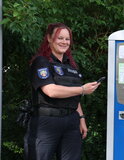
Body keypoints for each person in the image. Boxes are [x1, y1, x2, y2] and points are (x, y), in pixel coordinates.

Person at [24, 23, 101, 160]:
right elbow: (50, 90)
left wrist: (81, 119)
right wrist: (83, 89)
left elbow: (73, 95)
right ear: (49, 38)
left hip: (71, 121)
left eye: (67, 39)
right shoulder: (41, 62)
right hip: (47, 122)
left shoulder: (70, 66)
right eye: (60, 38)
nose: (64, 42)